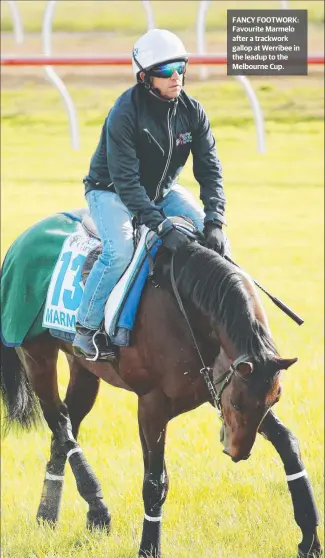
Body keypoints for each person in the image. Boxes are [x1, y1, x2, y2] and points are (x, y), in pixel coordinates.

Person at [73, 28, 228, 361]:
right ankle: (86, 329)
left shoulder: (193, 111)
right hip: (110, 191)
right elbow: (127, 184)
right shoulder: (124, 114)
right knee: (120, 250)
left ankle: (227, 323)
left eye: (180, 68)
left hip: (162, 192)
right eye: (165, 71)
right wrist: (161, 226)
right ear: (144, 77)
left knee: (217, 241)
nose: (176, 77)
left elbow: (210, 170)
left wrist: (215, 219)